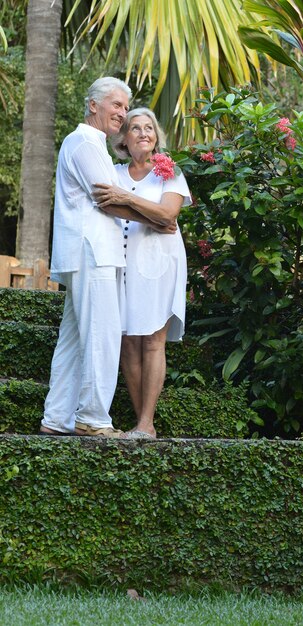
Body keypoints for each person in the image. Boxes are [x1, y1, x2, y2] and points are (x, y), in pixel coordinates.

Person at [39, 77, 133, 438]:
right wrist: (158, 214)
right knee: (101, 333)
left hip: (90, 251)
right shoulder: (84, 142)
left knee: (76, 338)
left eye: (125, 107)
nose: (122, 113)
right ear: (94, 105)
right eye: (116, 104)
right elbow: (109, 199)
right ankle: (92, 418)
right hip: (92, 251)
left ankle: (57, 418)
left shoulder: (91, 143)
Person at [92, 108, 192, 439]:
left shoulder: (169, 171)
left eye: (149, 127)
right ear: (123, 138)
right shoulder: (114, 172)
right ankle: (141, 423)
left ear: (156, 137)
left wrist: (130, 203)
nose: (143, 132)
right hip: (121, 262)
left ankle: (146, 422)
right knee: (126, 342)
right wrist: (150, 216)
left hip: (160, 262)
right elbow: (107, 206)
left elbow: (170, 212)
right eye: (135, 127)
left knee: (152, 340)